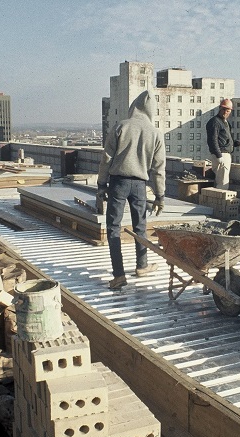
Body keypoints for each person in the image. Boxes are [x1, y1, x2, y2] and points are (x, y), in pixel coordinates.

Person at [97, 90, 166, 290]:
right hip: (139, 186)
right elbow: (158, 169)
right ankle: (142, 266)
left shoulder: (121, 126)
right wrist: (160, 196)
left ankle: (119, 276)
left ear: (134, 106)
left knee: (113, 228)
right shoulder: (155, 134)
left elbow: (106, 160)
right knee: (140, 228)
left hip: (118, 183)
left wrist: (101, 185)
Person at [205, 98, 240, 190]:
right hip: (221, 154)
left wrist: (237, 143)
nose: (225, 112)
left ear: (230, 111)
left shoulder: (225, 123)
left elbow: (225, 141)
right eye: (223, 109)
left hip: (224, 154)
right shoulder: (215, 122)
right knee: (222, 182)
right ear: (219, 108)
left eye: (227, 110)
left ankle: (218, 200)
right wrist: (219, 156)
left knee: (221, 180)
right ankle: (219, 202)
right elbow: (212, 140)